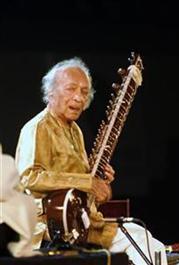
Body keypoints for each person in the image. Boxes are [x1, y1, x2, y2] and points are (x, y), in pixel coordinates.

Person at [15, 58, 167, 265]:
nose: (78, 97)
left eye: (84, 92)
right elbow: (28, 177)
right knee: (141, 242)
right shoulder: (38, 127)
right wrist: (87, 181)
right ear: (50, 92)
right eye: (71, 89)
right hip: (49, 227)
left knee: (146, 241)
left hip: (81, 222)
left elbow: (78, 189)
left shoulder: (74, 130)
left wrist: (100, 184)